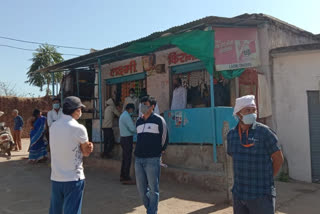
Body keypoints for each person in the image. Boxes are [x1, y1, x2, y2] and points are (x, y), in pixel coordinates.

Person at [227, 95, 284, 214]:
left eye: (254, 110)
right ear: (238, 113)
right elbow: (235, 158)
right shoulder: (232, 135)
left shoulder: (265, 132)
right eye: (248, 110)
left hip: (261, 195)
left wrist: (267, 178)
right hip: (239, 194)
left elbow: (278, 159)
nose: (252, 113)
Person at [49, 96, 93, 214]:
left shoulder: (53, 126)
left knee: (55, 210)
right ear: (77, 110)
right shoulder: (79, 128)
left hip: (56, 178)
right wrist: (89, 147)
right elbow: (86, 153)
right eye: (80, 109)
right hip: (73, 178)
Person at [135, 96, 169, 214]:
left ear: (152, 106)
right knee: (141, 189)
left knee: (154, 189)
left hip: (153, 159)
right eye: (142, 104)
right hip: (139, 159)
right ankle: (150, 208)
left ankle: (151, 211)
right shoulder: (138, 121)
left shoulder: (159, 120)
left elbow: (165, 137)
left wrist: (160, 150)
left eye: (146, 104)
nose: (143, 106)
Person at [119, 103, 136, 185]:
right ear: (130, 109)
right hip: (127, 139)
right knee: (127, 158)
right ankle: (126, 176)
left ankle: (122, 175)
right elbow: (132, 129)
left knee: (125, 158)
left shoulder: (123, 115)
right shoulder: (127, 116)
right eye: (132, 110)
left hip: (123, 138)